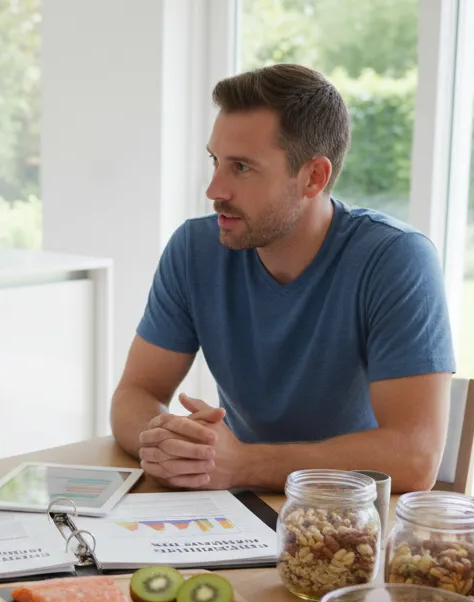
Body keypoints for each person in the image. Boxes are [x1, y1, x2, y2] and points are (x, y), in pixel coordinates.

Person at [111, 64, 455, 494]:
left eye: (241, 168)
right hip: (233, 512)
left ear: (313, 177)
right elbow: (135, 393)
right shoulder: (193, 249)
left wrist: (243, 465)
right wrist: (172, 444)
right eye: (216, 161)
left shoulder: (396, 259)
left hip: (344, 523)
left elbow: (414, 457)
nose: (214, 189)